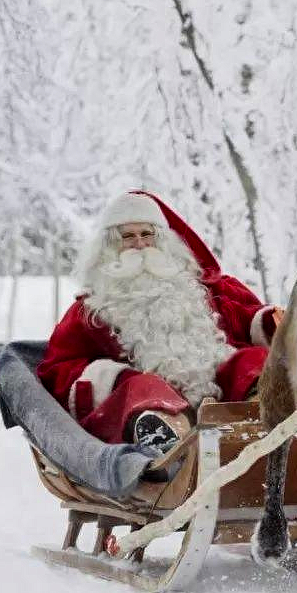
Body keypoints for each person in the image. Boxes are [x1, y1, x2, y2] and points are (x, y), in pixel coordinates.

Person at [36, 191, 281, 452]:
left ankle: (262, 414)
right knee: (141, 388)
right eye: (127, 237)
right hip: (148, 406)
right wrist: (112, 377)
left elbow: (246, 317)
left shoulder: (200, 290)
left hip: (223, 397)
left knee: (252, 361)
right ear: (108, 248)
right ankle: (166, 438)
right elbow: (59, 368)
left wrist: (273, 322)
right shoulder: (91, 310)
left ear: (163, 241)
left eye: (147, 234)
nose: (140, 244)